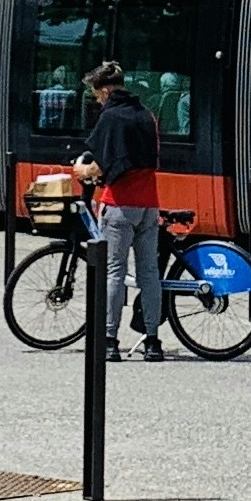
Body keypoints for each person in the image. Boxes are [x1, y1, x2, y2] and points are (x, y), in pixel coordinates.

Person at [72, 61, 167, 361]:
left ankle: (110, 341)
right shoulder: (146, 115)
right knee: (149, 274)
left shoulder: (111, 117)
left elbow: (102, 163)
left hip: (119, 205)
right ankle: (152, 342)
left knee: (114, 272)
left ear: (105, 89)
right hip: (149, 204)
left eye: (96, 94)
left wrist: (83, 171)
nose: (97, 100)